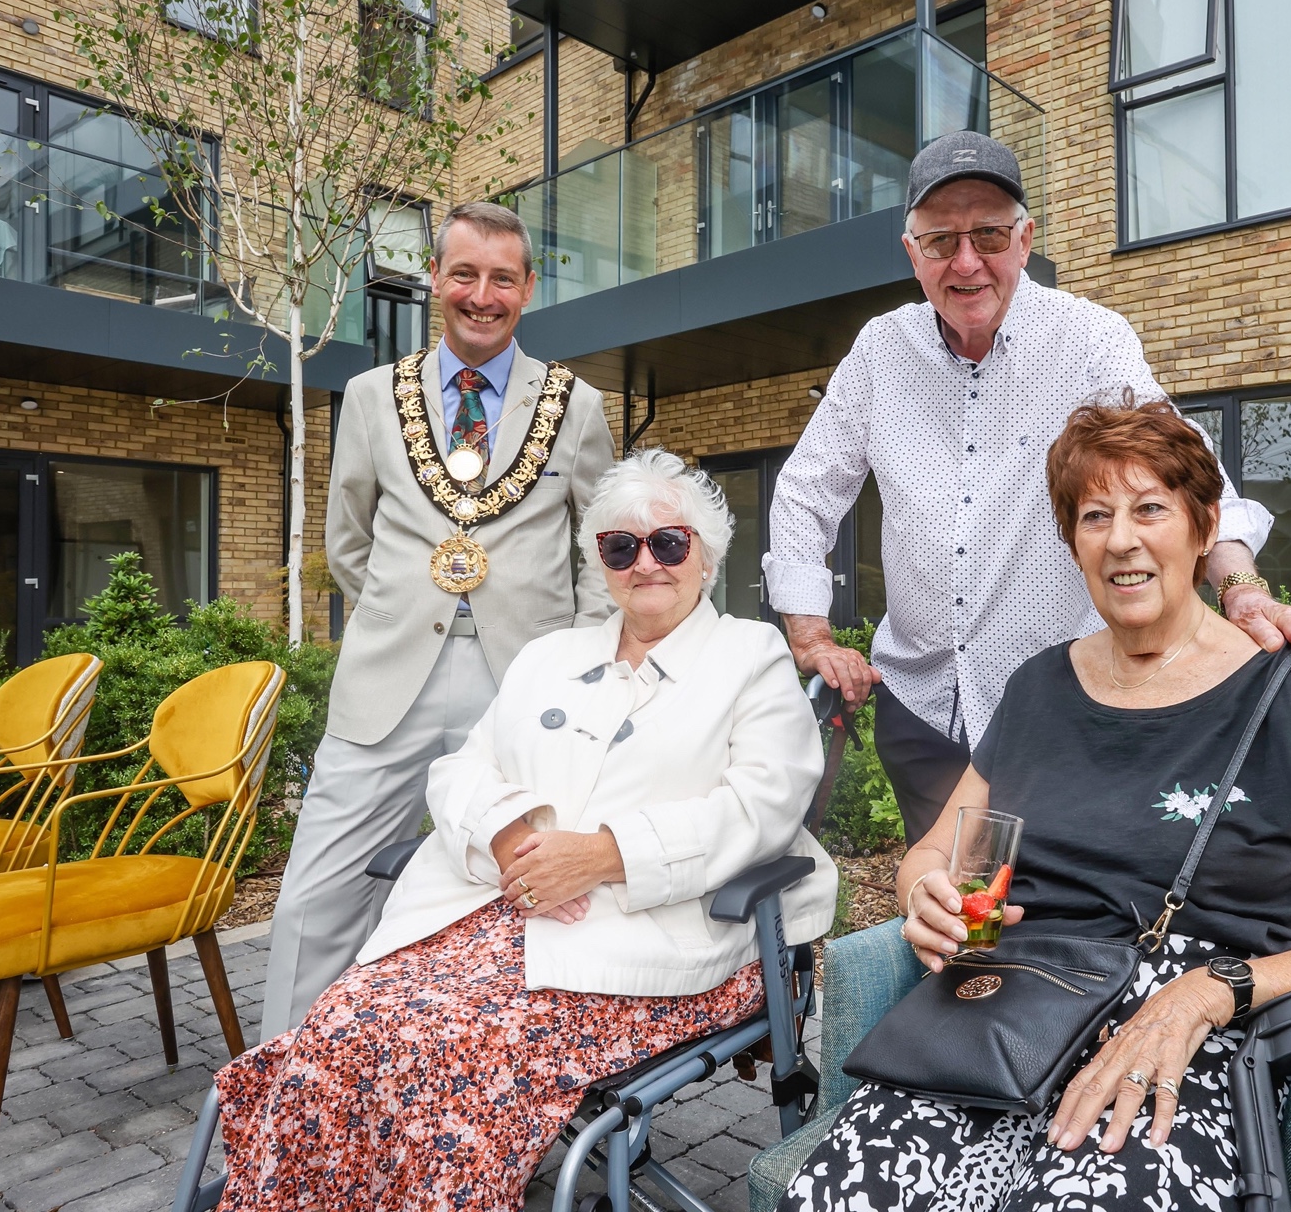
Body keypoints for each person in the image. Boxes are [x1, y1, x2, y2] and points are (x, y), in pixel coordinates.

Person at [780, 398, 1291, 1212]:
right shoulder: (1039, 689)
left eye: (1150, 508)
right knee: (845, 1194)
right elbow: (934, 856)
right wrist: (926, 898)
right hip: (1008, 1019)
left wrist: (1207, 990)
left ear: (1203, 528)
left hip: (1183, 1046)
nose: (1122, 538)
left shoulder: (1282, 696)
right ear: (1075, 545)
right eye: (1095, 516)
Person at [219, 450, 839, 1209]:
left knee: (451, 1050)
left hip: (654, 931)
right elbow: (459, 771)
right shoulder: (552, 654)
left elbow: (764, 805)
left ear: (705, 555)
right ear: (601, 563)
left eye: (668, 543)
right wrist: (509, 836)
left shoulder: (750, 656)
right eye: (621, 547)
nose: (645, 563)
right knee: (346, 1019)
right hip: (495, 912)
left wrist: (607, 855)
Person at [765, 130, 1291, 847]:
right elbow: (805, 492)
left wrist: (1243, 588)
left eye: (990, 235)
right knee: (949, 917)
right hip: (920, 707)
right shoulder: (880, 350)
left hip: (1063, 704)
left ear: (1025, 239)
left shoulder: (1090, 339)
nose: (967, 262)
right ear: (914, 255)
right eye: (941, 242)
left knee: (1051, 908)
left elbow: (1182, 472)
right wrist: (812, 635)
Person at [260, 201, 619, 1039]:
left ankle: (522, 1115)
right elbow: (348, 541)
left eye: (502, 278)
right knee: (315, 899)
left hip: (525, 688)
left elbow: (601, 553)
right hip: (387, 681)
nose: (481, 295)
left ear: (528, 288)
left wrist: (578, 667)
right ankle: (285, 1113)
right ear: (435, 279)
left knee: (540, 902)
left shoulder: (580, 406)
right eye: (464, 273)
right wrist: (405, 610)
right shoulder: (368, 396)